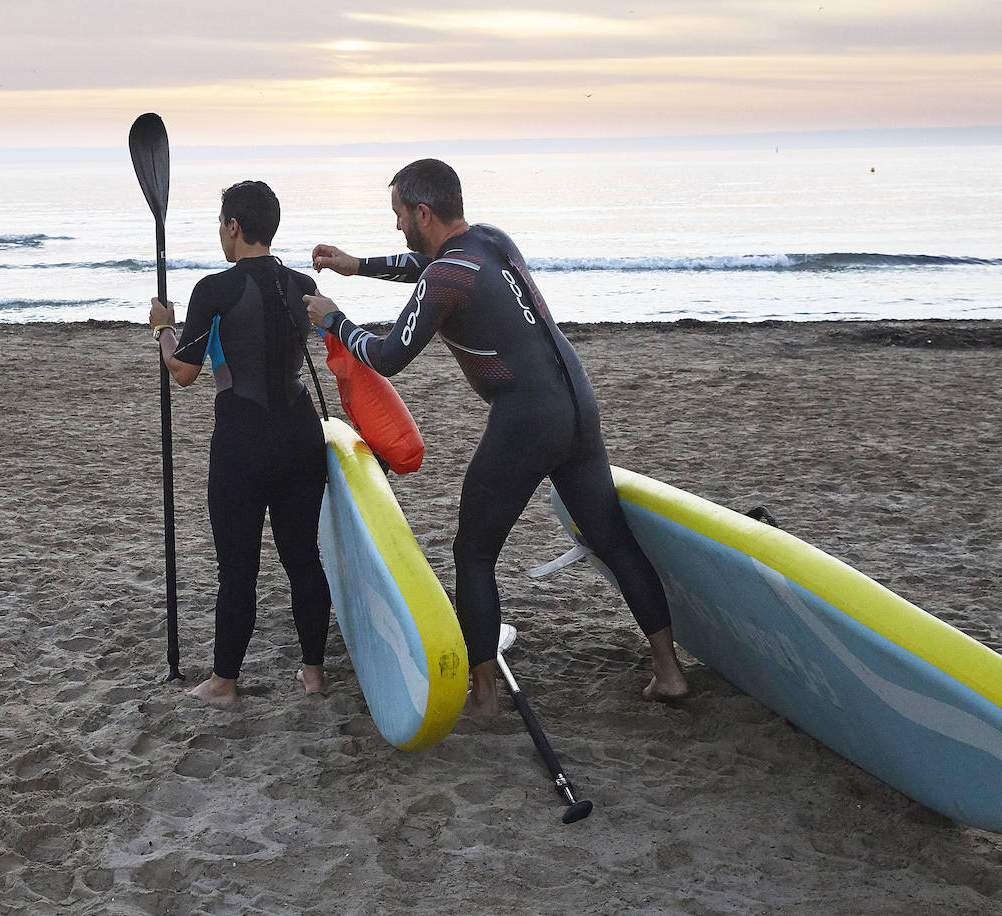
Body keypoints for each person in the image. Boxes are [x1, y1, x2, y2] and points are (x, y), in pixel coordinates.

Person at [303, 158, 688, 717]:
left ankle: (484, 695)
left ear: (423, 212)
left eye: (399, 215)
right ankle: (669, 671)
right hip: (576, 401)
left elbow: (389, 356)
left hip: (528, 417)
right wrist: (356, 265)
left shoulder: (445, 276)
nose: (397, 226)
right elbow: (426, 266)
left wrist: (336, 321)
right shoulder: (490, 242)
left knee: (474, 551)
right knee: (612, 538)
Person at [148, 180, 332, 705]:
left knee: (239, 566)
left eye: (220, 225)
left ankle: (225, 683)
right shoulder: (300, 286)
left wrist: (163, 328)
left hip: (242, 442)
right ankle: (314, 674)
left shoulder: (214, 289)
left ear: (234, 226)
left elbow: (182, 371)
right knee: (303, 559)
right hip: (301, 437)